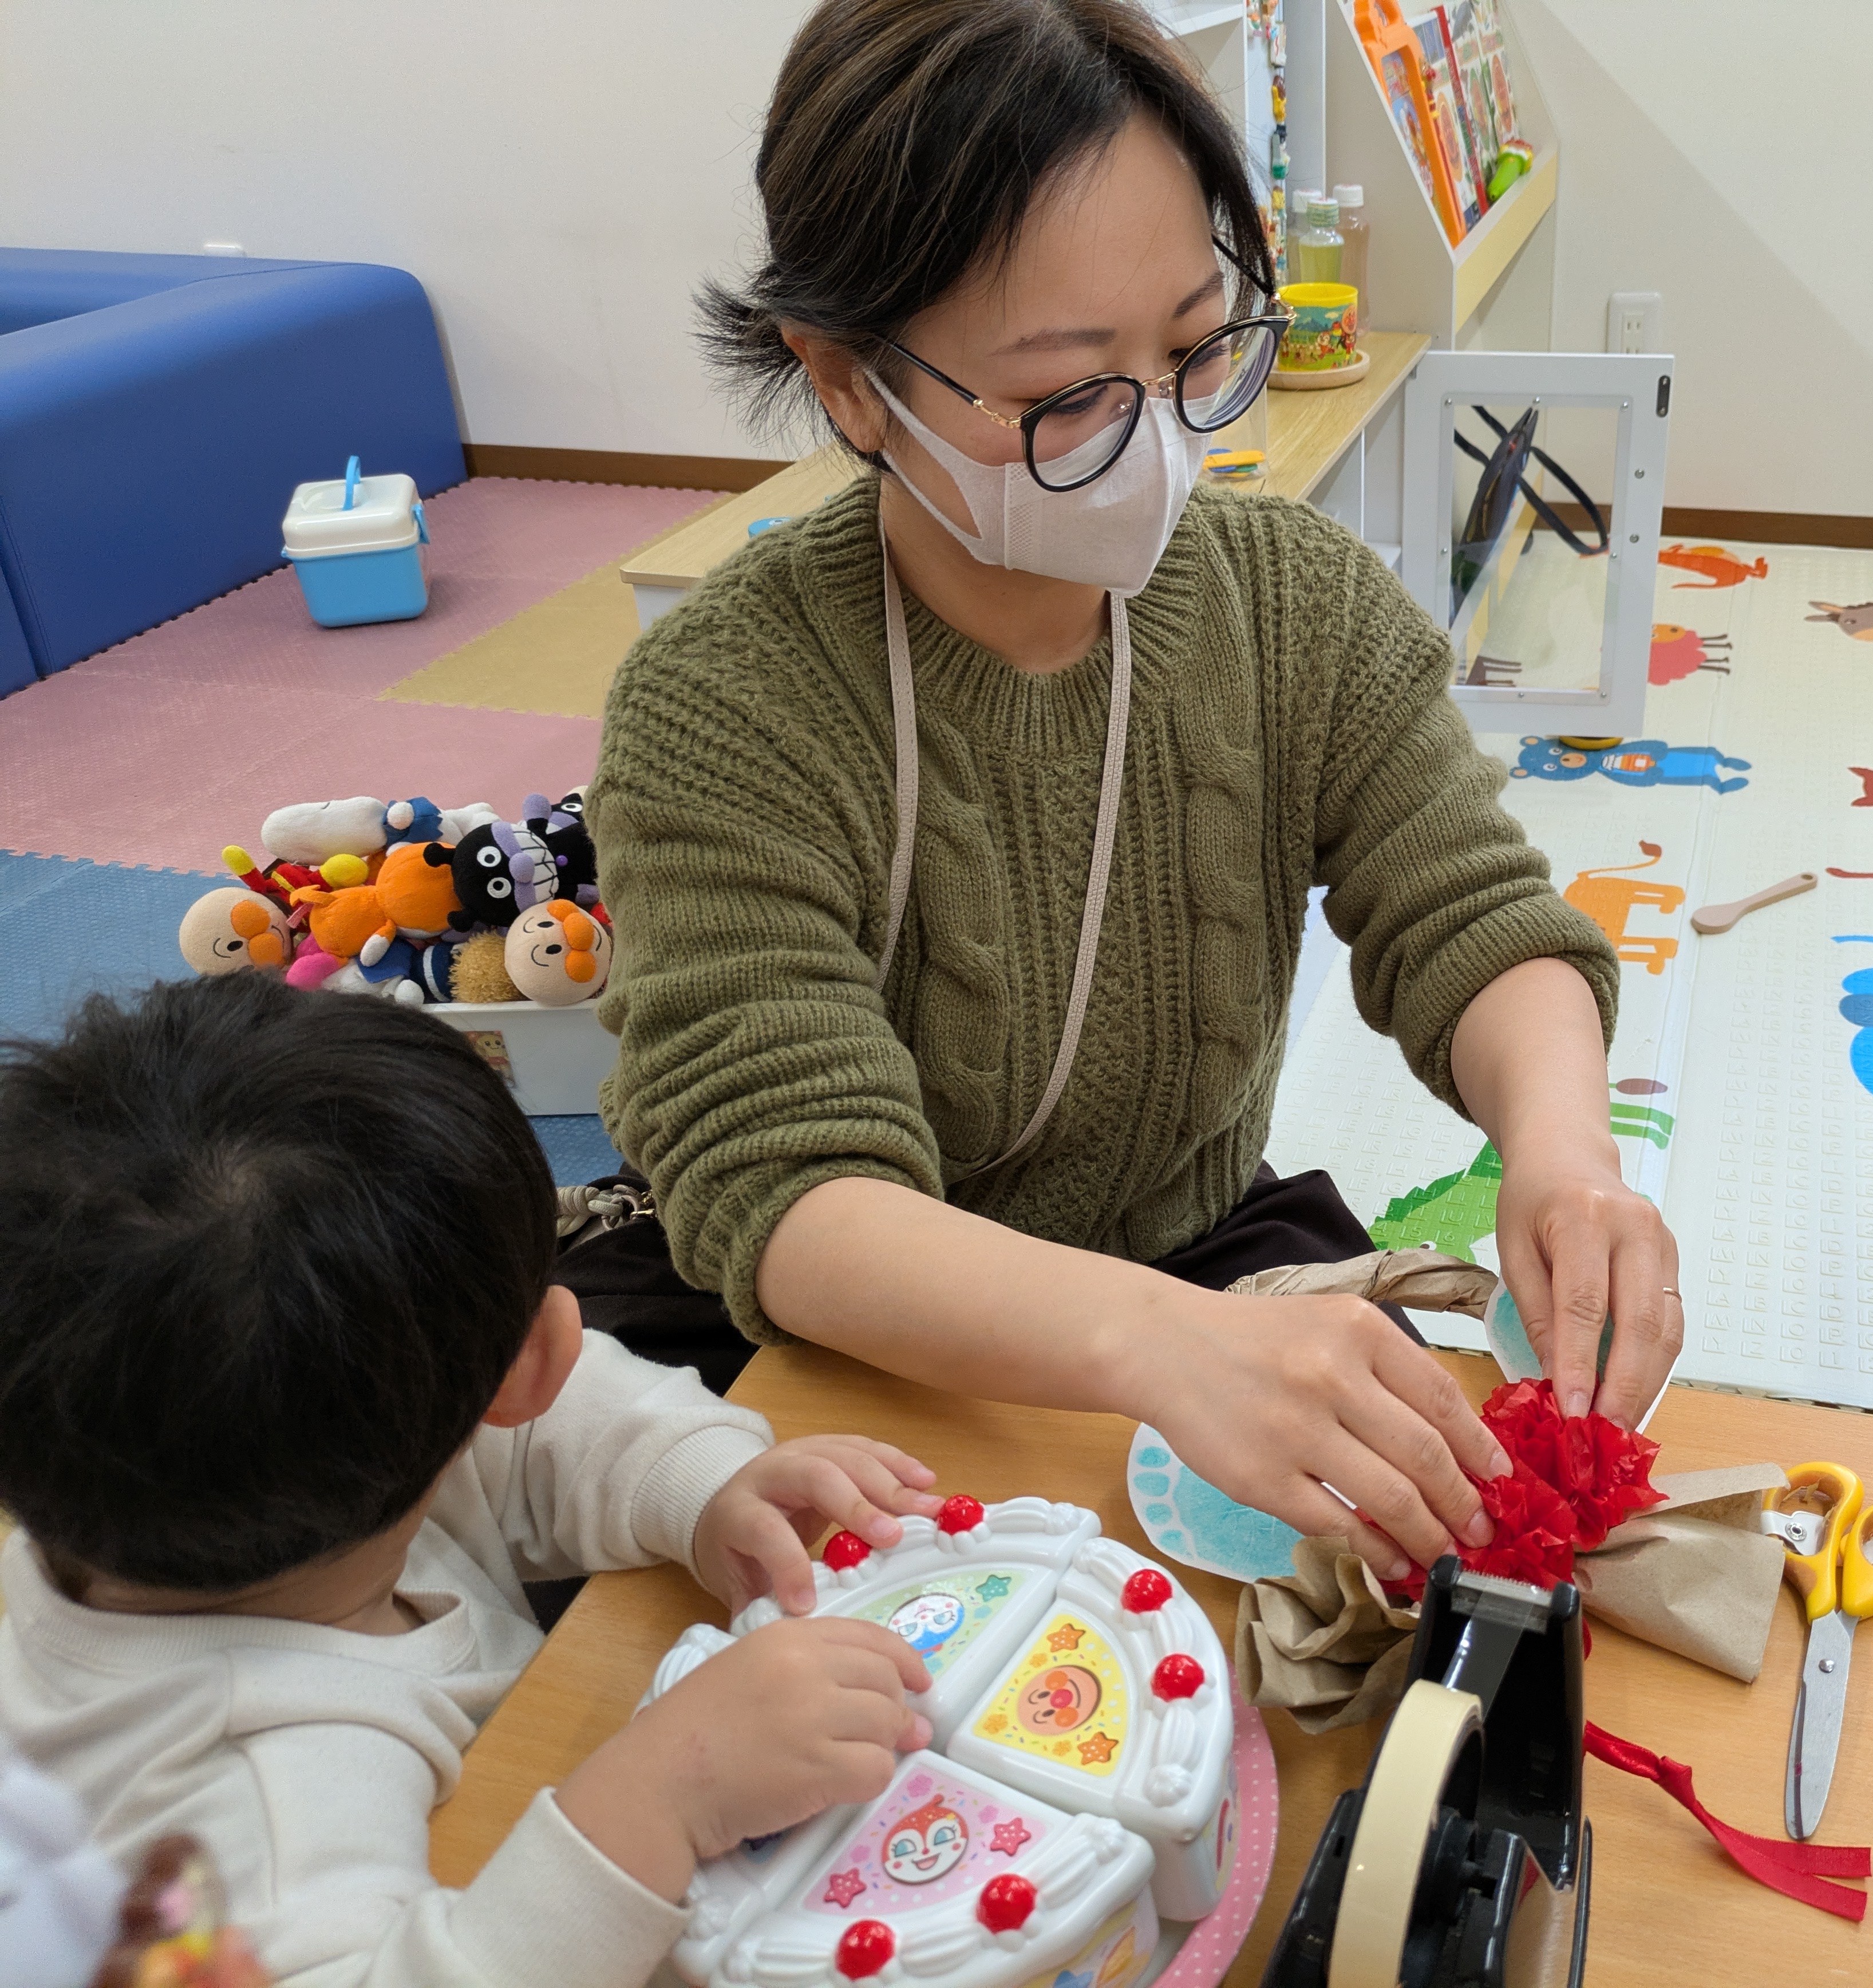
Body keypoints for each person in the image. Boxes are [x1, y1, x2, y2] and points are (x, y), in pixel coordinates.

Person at [588, 0, 1681, 1591]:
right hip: (846, 1324)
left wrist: (1567, 1150)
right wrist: (1153, 1347)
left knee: (1429, 1571)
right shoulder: (725, 710)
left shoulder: (1292, 606)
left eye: (1191, 349)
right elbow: (790, 1187)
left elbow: (1469, 911)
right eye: (1068, 392)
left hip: (1196, 1257)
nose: (1157, 439)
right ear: (843, 383)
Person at [0, 976, 949, 1986]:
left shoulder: (205, 1456)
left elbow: (551, 1432)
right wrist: (659, 1799)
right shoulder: (257, 1804)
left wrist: (709, 1489)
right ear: (533, 1357)